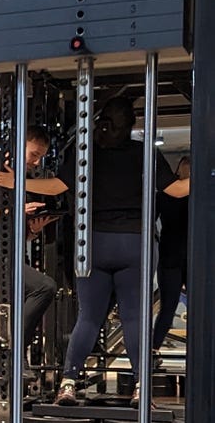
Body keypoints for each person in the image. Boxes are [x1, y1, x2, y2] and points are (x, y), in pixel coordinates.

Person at [56, 97, 190, 406]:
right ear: (132, 124)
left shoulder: (87, 153)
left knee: (89, 317)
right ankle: (141, 385)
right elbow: (176, 190)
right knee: (133, 318)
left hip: (94, 243)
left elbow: (57, 186)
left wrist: (15, 181)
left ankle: (68, 383)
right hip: (135, 243)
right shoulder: (145, 153)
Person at [0, 125, 63, 406]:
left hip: (11, 257)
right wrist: (12, 210)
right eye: (34, 154)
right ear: (18, 146)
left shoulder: (25, 180)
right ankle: (17, 350)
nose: (36, 162)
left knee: (1, 330)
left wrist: (33, 231)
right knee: (45, 287)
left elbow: (15, 230)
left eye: (41, 157)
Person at [152, 155, 190, 361]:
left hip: (181, 255)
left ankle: (153, 348)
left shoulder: (165, 195)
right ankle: (153, 348)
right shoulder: (166, 195)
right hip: (174, 256)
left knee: (170, 306)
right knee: (168, 306)